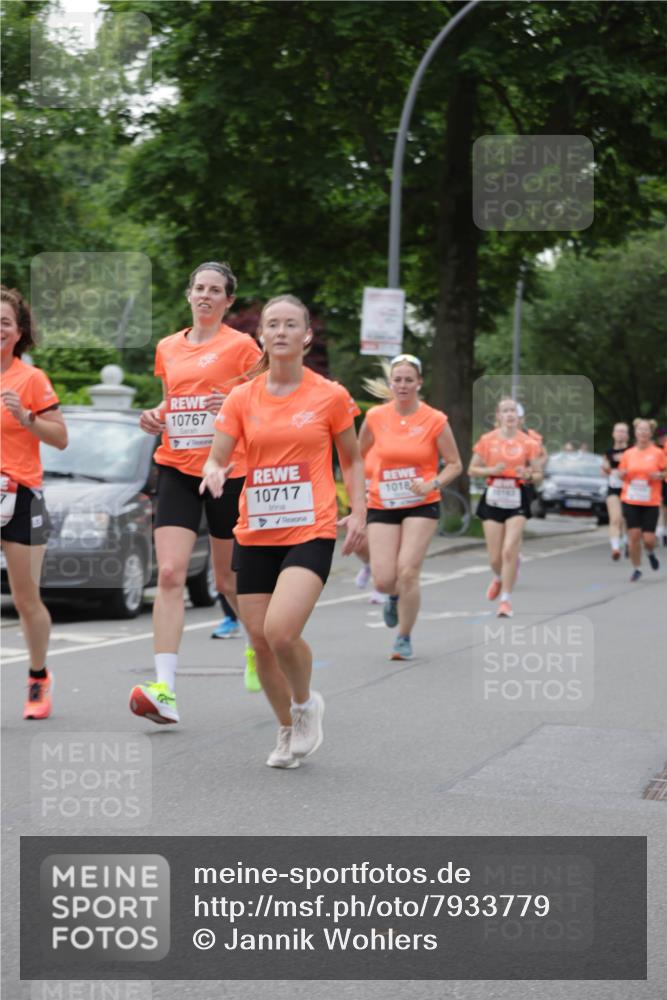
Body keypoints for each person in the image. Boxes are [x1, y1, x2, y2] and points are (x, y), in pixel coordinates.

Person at [201, 294, 366, 768]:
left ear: (306, 335)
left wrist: (359, 511)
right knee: (259, 641)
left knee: (281, 632)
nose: (279, 331)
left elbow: (351, 459)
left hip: (309, 528)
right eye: (272, 324)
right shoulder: (241, 397)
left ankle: (304, 704)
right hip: (255, 530)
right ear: (261, 336)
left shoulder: (329, 396)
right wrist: (214, 470)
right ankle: (285, 729)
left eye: (290, 324)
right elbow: (218, 453)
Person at [129, 262, 262, 725]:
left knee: (227, 580)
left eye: (215, 290)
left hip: (227, 469)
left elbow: (265, 403)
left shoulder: (243, 347)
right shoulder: (168, 347)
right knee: (168, 573)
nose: (205, 296)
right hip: (177, 468)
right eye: (199, 288)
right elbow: (173, 400)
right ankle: (164, 687)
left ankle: (256, 645)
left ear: (228, 301)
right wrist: (156, 414)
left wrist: (232, 404)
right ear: (189, 295)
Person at [358, 354, 463, 660]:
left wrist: (433, 483)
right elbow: (356, 455)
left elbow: (455, 464)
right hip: (382, 502)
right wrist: (359, 488)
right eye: (398, 380)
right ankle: (391, 596)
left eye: (408, 380)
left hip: (421, 502)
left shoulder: (434, 419)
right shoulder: (376, 417)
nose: (403, 385)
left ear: (419, 383)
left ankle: (403, 637)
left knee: (408, 571)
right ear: (391, 383)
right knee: (383, 578)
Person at [1, 286, 68, 719]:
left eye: (4, 323)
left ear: (19, 332)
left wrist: (28, 418)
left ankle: (39, 675)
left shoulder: (31, 380)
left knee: (26, 599)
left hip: (19, 496)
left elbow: (61, 438)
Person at [469, 397, 541, 618]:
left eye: (513, 411)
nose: (509, 414)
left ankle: (506, 600)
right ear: (498, 416)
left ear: (518, 417)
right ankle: (498, 577)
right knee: (494, 558)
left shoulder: (529, 443)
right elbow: (472, 470)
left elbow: (538, 476)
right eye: (505, 411)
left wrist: (528, 474)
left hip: (517, 497)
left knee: (510, 549)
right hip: (493, 497)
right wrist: (491, 470)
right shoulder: (487, 440)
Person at [617, 418, 666, 582]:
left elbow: (665, 472)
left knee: (649, 539)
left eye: (646, 430)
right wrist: (622, 474)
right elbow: (621, 472)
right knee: (634, 535)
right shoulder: (628, 453)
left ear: (650, 433)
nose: (643, 433)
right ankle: (637, 568)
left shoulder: (657, 453)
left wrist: (659, 475)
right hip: (631, 499)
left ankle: (650, 553)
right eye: (640, 430)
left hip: (650, 501)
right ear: (635, 433)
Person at [601, 422, 630, 560]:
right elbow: (604, 469)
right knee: (615, 519)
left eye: (623, 431)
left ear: (628, 435)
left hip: (630, 490)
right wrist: (606, 469)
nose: (620, 434)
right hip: (613, 488)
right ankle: (615, 548)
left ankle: (627, 542)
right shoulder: (608, 452)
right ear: (613, 434)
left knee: (627, 519)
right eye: (618, 431)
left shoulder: (632, 451)